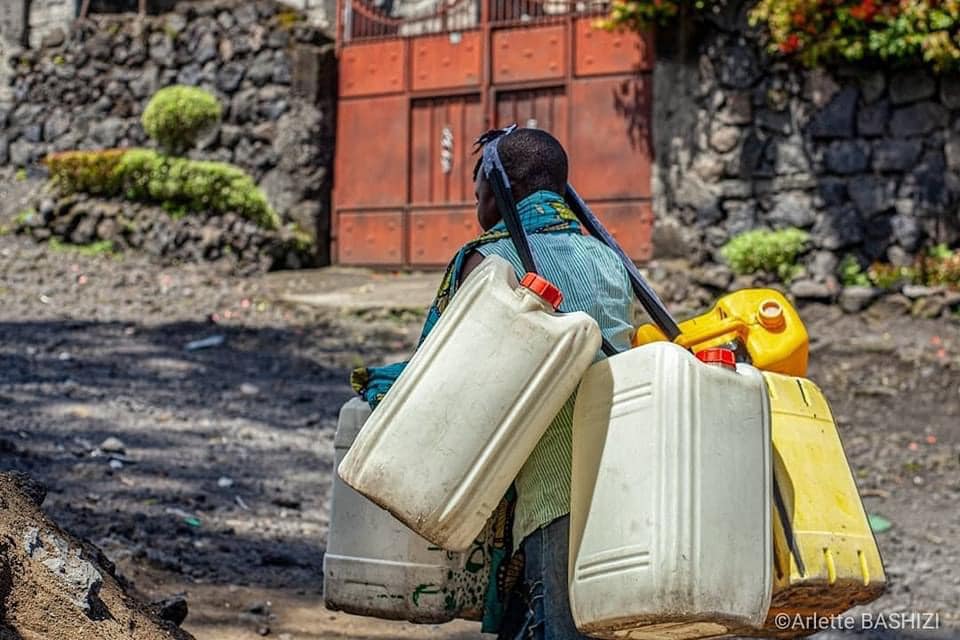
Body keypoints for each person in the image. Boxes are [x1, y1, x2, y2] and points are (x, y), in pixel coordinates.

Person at [350, 127, 635, 640]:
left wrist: (376, 386)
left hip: (549, 482)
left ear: (504, 186)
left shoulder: (487, 261)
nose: (474, 196)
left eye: (479, 182)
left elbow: (438, 375)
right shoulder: (610, 259)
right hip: (617, 464)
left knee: (555, 625)